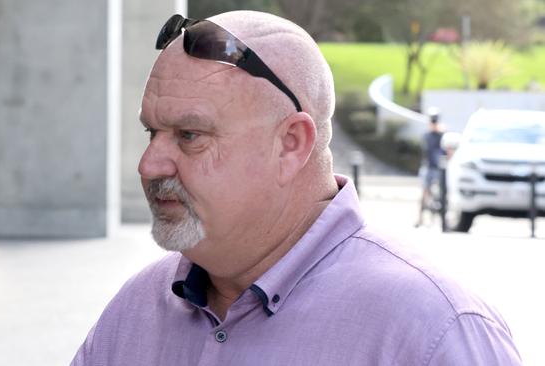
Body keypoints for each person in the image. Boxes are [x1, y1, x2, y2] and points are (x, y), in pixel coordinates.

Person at [71, 11, 521, 365]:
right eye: (152, 133)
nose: (149, 164)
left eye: (190, 136)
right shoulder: (134, 311)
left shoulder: (434, 331)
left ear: (291, 144)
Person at [415, 109, 446, 228]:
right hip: (428, 167)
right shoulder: (427, 135)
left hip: (438, 167)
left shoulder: (442, 135)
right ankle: (419, 219)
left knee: (439, 194)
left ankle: (436, 219)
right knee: (424, 193)